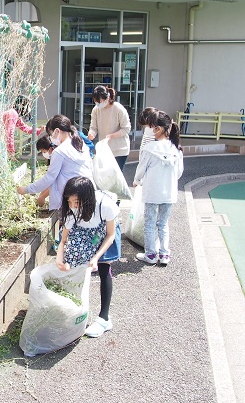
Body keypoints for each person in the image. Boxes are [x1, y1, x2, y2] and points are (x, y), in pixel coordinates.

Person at [55, 176, 119, 338]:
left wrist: (96, 257)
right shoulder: (72, 212)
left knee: (104, 266)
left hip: (103, 231)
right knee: (74, 257)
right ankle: (71, 310)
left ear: (87, 198)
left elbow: (110, 235)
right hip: (84, 232)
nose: (72, 206)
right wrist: (59, 258)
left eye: (75, 202)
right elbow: (64, 240)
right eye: (69, 202)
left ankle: (104, 319)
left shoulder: (105, 206)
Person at [133, 111, 184, 266]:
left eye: (152, 127)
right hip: (169, 192)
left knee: (149, 223)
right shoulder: (175, 148)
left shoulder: (149, 148)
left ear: (158, 128)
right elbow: (179, 173)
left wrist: (136, 180)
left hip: (152, 192)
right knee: (163, 224)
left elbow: (141, 168)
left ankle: (150, 254)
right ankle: (164, 254)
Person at [17, 115, 93, 213]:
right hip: (87, 194)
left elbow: (49, 178)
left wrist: (27, 189)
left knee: (66, 227)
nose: (51, 138)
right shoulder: (80, 144)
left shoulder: (60, 151)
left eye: (50, 134)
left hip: (71, 201)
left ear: (57, 131)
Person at [87, 86, 131, 171]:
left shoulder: (118, 109)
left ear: (107, 98)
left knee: (116, 178)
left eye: (99, 102)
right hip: (105, 149)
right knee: (105, 178)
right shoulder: (96, 110)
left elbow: (126, 129)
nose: (97, 104)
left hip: (119, 150)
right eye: (96, 102)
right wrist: (91, 133)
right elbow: (93, 127)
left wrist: (112, 135)